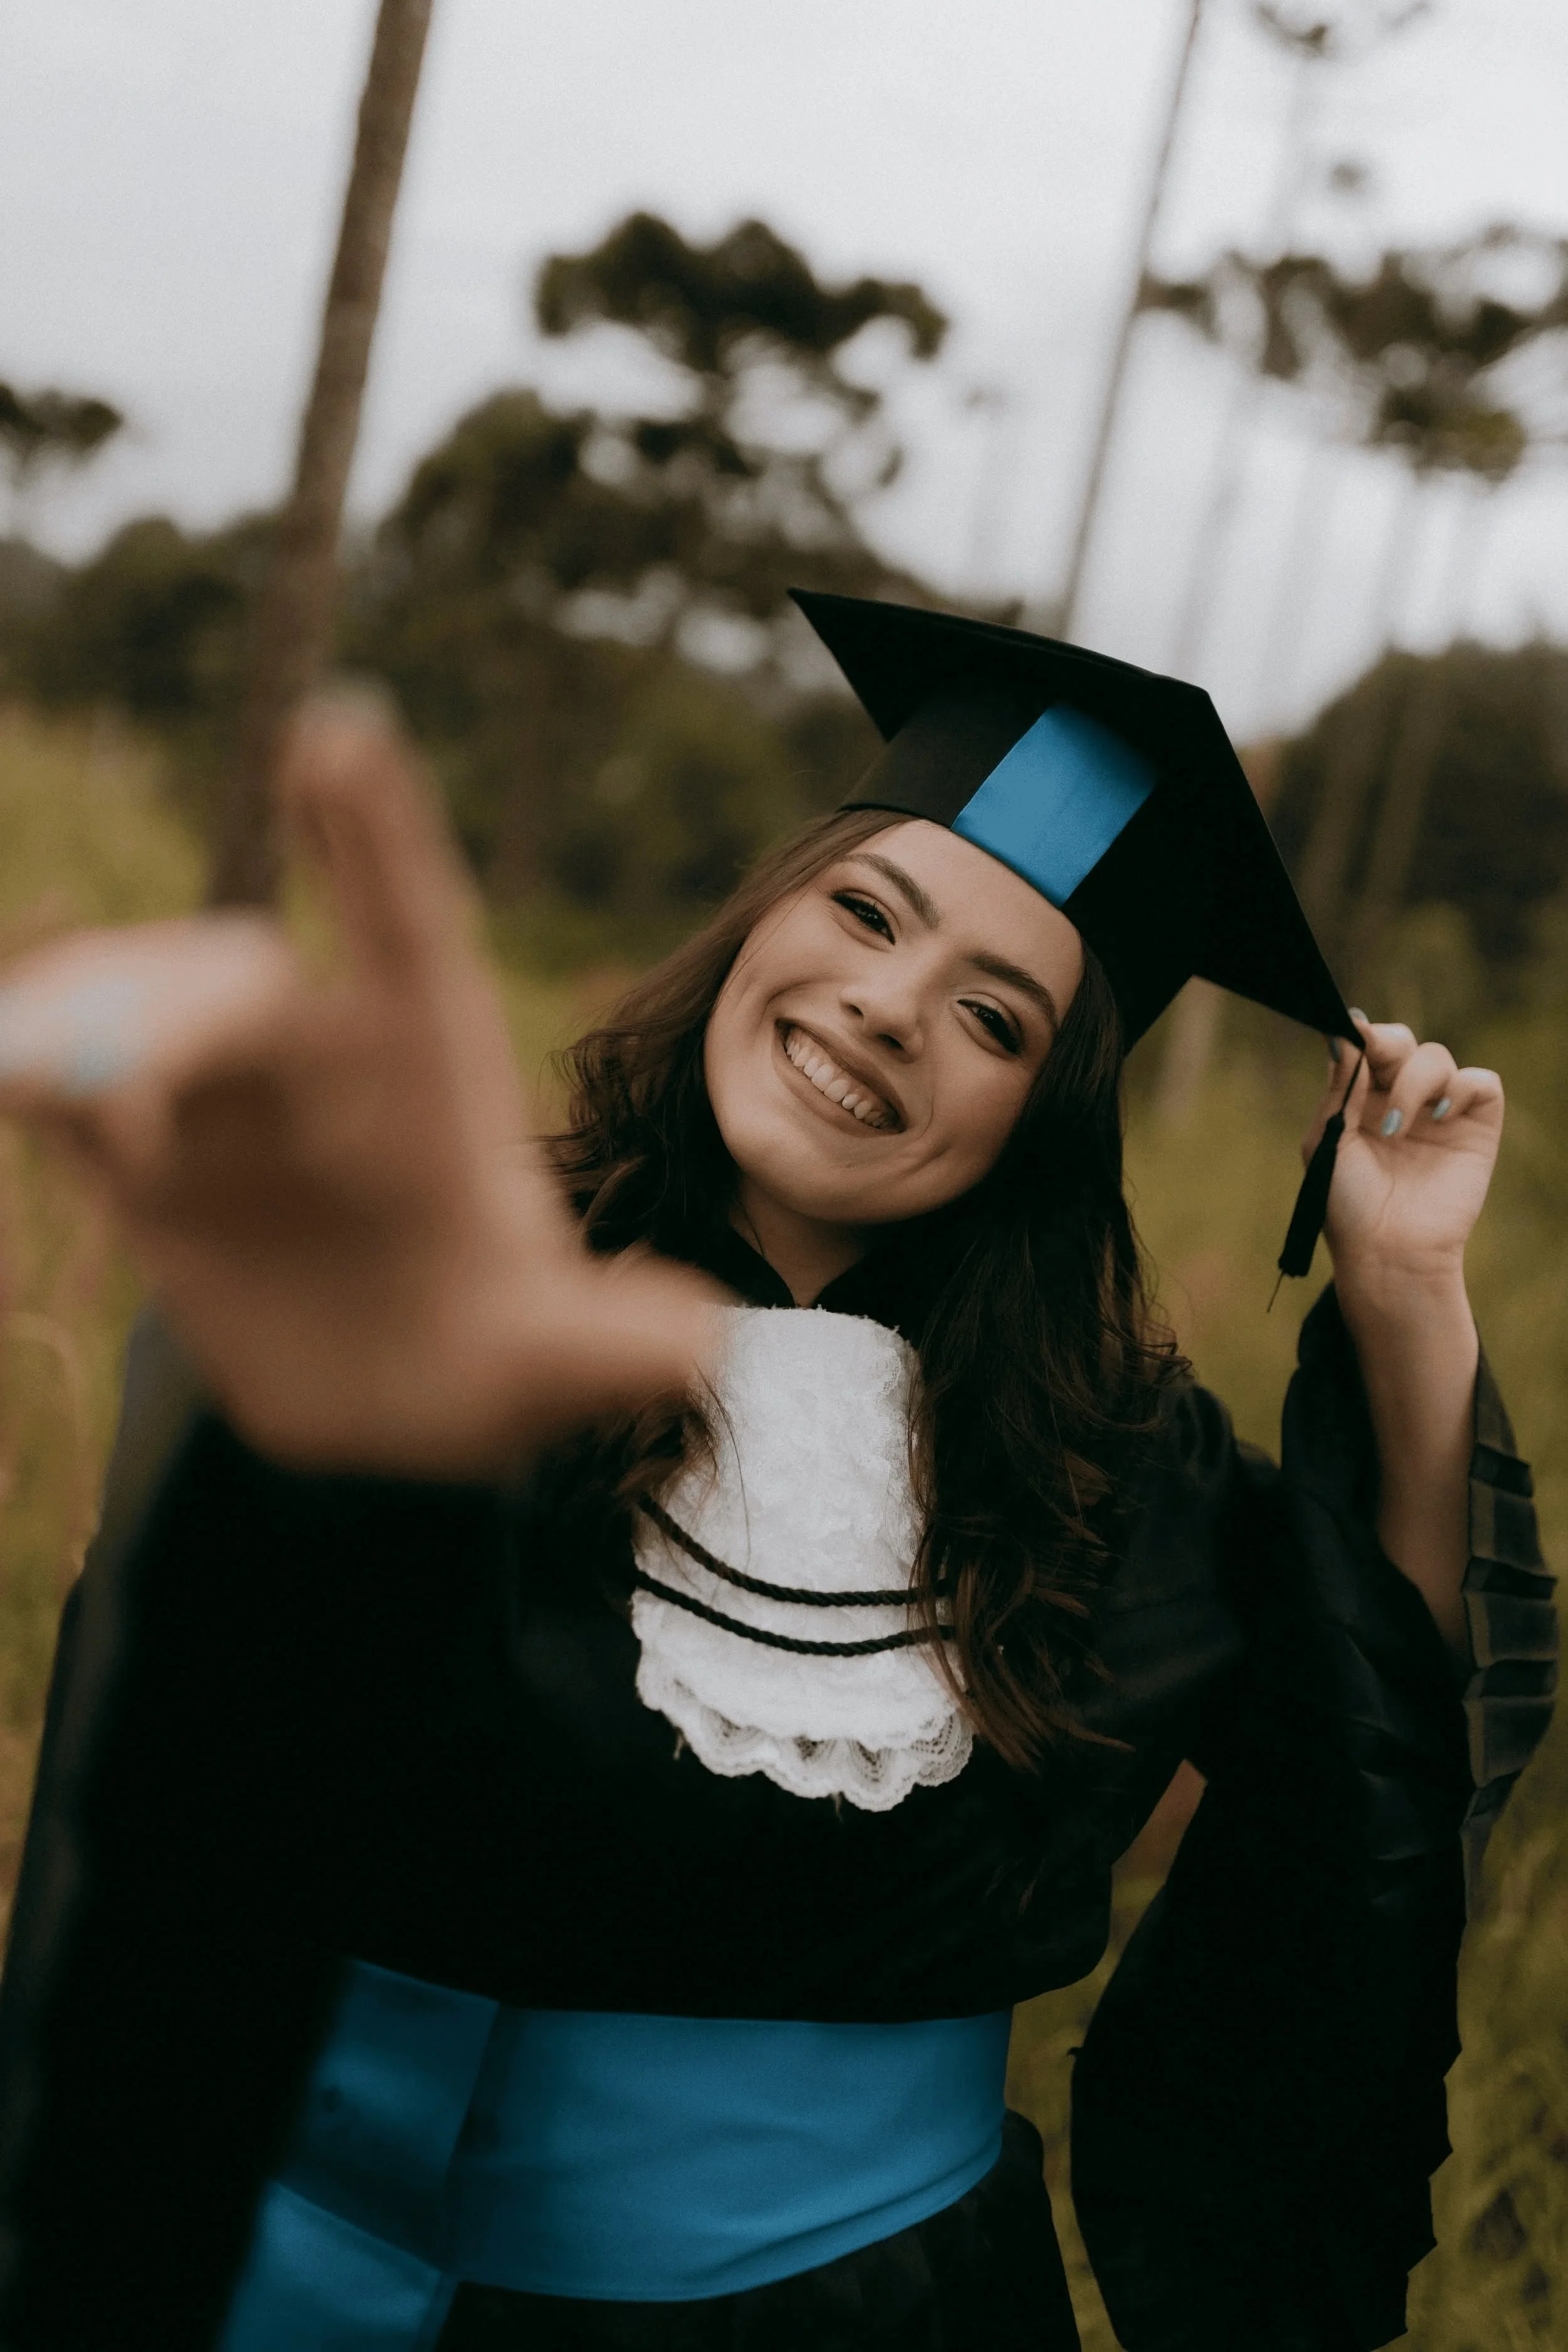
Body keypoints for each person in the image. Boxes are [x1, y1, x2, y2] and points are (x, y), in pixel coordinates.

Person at [0, 596, 1554, 2352]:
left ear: (1047, 1114)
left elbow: (1361, 1768)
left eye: (992, 1017)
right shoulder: (442, 1278)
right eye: (864, 908)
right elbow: (164, 1768)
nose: (885, 1006)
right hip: (259, 2270)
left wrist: (1406, 1289)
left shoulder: (1108, 1462)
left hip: (827, 2312)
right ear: (766, 912)